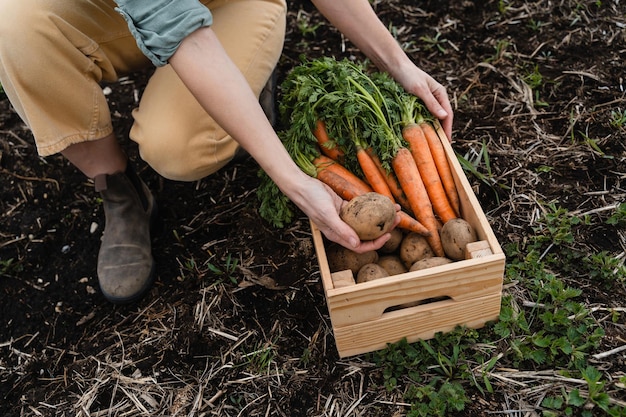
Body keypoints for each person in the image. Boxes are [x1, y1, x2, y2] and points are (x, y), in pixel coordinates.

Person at [0, 0, 453, 304]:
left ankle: (248, 81)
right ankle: (120, 190)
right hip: (114, 9)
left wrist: (399, 63)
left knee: (176, 148)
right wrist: (294, 181)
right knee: (12, 28)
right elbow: (172, 24)